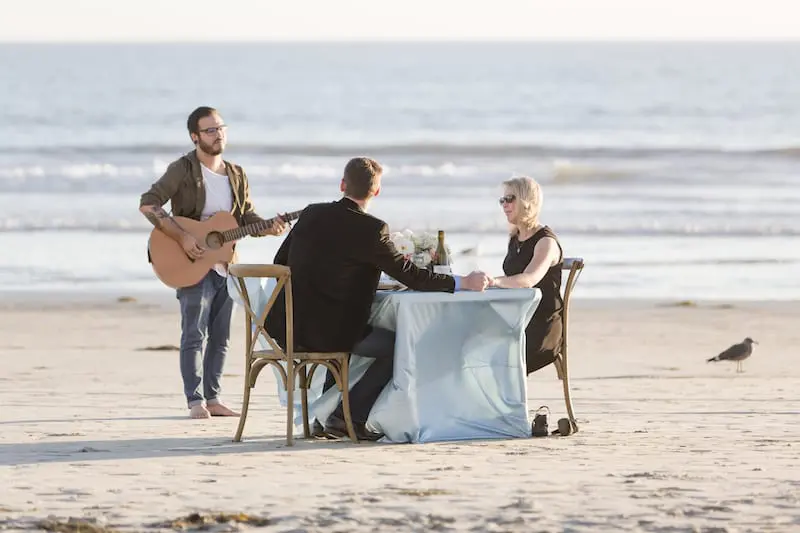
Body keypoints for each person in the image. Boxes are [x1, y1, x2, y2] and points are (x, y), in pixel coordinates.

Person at [266, 157, 489, 439]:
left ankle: (326, 419)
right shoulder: (372, 229)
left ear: (342, 185)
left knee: (344, 330)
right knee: (398, 346)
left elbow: (279, 263)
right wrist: (463, 282)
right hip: (331, 336)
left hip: (288, 328)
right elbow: (412, 276)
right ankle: (347, 417)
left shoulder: (311, 214)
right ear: (377, 192)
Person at [139, 106, 287, 419]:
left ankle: (214, 398)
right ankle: (195, 401)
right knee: (194, 334)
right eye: (210, 130)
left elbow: (245, 218)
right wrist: (182, 237)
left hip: (225, 264)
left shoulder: (236, 174)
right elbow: (149, 203)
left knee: (221, 337)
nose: (218, 134)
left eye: (221, 128)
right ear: (195, 137)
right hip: (190, 262)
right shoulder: (182, 169)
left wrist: (268, 227)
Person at [485, 176, 564, 375]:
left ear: (526, 201)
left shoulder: (546, 241)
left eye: (509, 199)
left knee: (496, 356)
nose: (504, 205)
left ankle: (511, 406)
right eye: (502, 200)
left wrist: (493, 282)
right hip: (517, 319)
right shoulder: (515, 239)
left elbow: (529, 279)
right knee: (470, 345)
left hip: (542, 327)